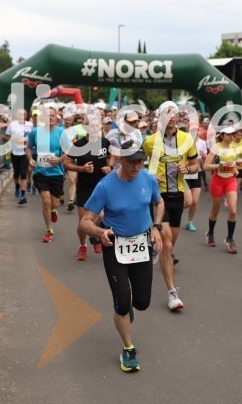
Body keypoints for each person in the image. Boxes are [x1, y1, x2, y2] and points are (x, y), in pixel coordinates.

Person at [78, 140, 164, 373]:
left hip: (141, 244)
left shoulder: (147, 178)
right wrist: (100, 232)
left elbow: (158, 201)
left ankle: (129, 307)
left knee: (143, 302)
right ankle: (128, 348)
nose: (137, 166)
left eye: (141, 161)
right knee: (122, 301)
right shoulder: (105, 186)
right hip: (115, 246)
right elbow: (85, 222)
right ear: (121, 161)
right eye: (133, 161)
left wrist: (156, 227)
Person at [141, 100, 198, 310]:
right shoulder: (149, 141)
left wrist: (188, 170)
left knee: (171, 241)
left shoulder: (186, 139)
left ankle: (155, 243)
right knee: (167, 246)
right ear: (160, 117)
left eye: (174, 112)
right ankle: (172, 293)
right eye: (167, 112)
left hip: (177, 196)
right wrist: (148, 173)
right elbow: (136, 163)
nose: (172, 116)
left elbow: (195, 164)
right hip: (158, 197)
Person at [63, 114, 113, 260]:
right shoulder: (78, 145)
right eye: (91, 125)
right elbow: (66, 163)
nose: (95, 128)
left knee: (102, 215)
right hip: (85, 187)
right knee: (83, 222)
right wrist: (82, 169)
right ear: (85, 127)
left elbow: (112, 156)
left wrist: (109, 167)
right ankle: (82, 246)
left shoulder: (105, 142)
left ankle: (94, 237)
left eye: (97, 125)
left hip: (102, 186)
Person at [27, 106, 67, 243]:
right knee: (46, 200)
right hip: (40, 171)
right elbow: (28, 147)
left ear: (56, 118)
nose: (50, 118)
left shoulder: (62, 132)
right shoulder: (35, 132)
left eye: (52, 116)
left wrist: (60, 159)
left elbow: (68, 150)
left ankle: (53, 211)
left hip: (56, 172)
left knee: (54, 204)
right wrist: (31, 159)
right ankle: (49, 230)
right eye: (47, 116)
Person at [203, 126, 240, 253]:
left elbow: (235, 163)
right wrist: (220, 165)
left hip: (230, 181)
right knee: (215, 210)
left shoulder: (234, 147)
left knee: (233, 211)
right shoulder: (216, 148)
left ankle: (230, 238)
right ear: (223, 135)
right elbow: (206, 166)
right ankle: (210, 233)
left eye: (233, 134)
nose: (231, 137)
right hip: (217, 181)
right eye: (229, 135)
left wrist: (235, 169)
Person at [4, 108, 33, 204]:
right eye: (19, 114)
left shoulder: (30, 125)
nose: (21, 116)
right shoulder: (12, 125)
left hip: (25, 153)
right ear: (17, 116)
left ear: (26, 115)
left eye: (23, 114)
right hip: (15, 152)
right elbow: (4, 137)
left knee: (23, 173)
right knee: (16, 173)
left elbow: (34, 137)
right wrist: (13, 139)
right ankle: (17, 186)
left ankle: (23, 194)